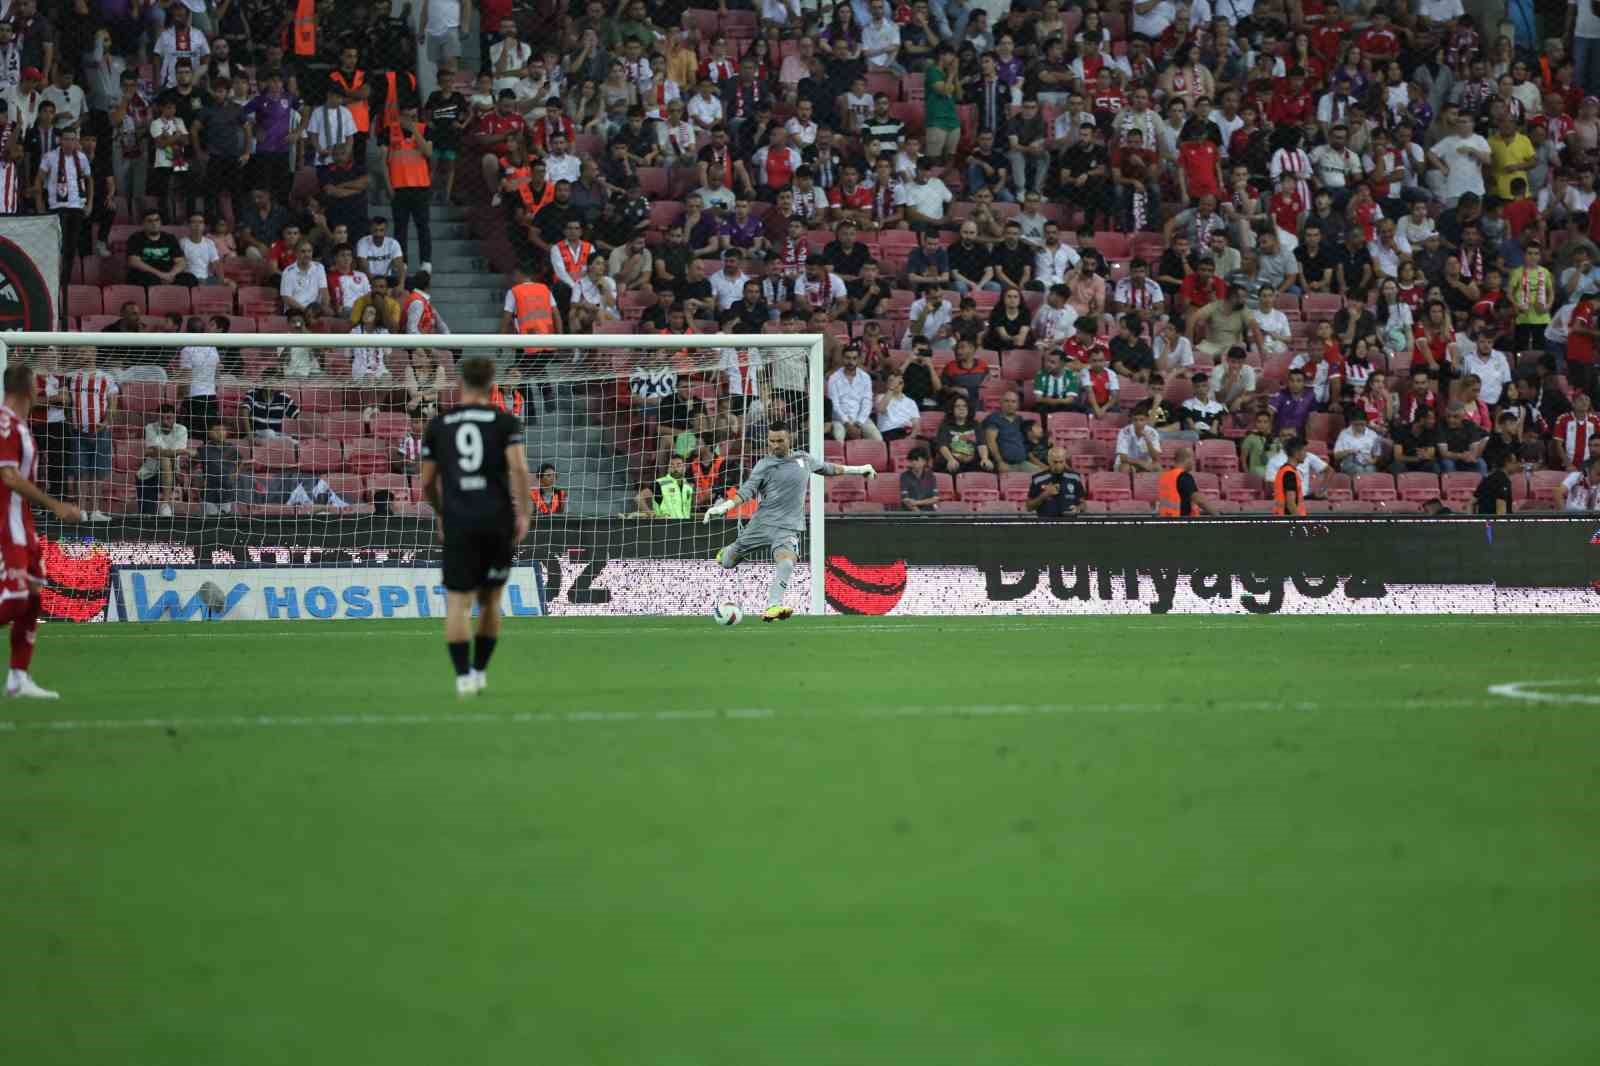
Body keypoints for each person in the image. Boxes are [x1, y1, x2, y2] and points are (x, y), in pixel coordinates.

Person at [418, 356, 531, 698]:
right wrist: (523, 513)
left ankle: (463, 676)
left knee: (458, 602)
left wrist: (441, 513)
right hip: (496, 519)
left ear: (460, 383)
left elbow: (426, 482)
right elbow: (520, 471)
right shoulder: (505, 422)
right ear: (492, 383)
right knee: (491, 601)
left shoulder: (440, 424)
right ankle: (481, 670)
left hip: (459, 522)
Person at [703, 426, 877, 622]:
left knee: (786, 562)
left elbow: (830, 469)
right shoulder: (764, 465)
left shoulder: (803, 459)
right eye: (771, 441)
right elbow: (747, 491)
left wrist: (860, 469)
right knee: (727, 562)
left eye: (780, 441)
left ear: (789, 440)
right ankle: (726, 553)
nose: (775, 445)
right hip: (761, 524)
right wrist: (723, 507)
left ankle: (773, 606)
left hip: (788, 527)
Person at [0, 364, 83, 698]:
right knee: (17, 597)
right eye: (37, 385)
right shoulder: (5, 422)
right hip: (6, 524)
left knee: (33, 597)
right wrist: (56, 505)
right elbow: (8, 477)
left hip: (24, 524)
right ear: (28, 389)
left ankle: (19, 678)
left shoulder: (20, 426)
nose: (40, 391)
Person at [65, 347, 117, 523]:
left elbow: (113, 403)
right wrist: (70, 420)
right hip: (78, 431)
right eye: (80, 351)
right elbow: (67, 403)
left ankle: (95, 511)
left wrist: (106, 422)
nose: (83, 354)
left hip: (101, 431)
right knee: (81, 472)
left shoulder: (106, 377)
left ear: (95, 353)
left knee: (98, 473)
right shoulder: (71, 377)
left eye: (87, 351)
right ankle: (81, 511)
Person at [139, 404, 188, 517]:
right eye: (162, 418)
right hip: (149, 473)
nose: (165, 422)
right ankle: (163, 506)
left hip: (173, 471)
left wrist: (152, 452)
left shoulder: (181, 429)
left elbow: (173, 453)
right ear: (158, 417)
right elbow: (157, 451)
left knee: (165, 459)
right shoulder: (150, 427)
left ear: (175, 417)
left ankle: (165, 504)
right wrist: (153, 452)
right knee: (147, 516)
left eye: (169, 418)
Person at [1155, 447, 1218, 517]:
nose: (1193, 462)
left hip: (1165, 521)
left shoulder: (1165, 476)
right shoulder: (1184, 476)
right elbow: (1199, 500)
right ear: (1188, 459)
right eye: (1193, 459)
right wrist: (1217, 515)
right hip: (1181, 522)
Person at [1026, 446, 1086, 518]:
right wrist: (1044, 495)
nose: (1058, 465)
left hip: (1069, 524)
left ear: (1065, 461)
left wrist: (1078, 508)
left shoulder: (1075, 477)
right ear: (1049, 460)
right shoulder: (1038, 479)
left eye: (1061, 462)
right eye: (1055, 462)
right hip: (1046, 524)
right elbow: (1029, 507)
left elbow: (1083, 503)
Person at [1333, 409, 1386, 475]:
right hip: (1349, 461)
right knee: (1359, 470)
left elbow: (1377, 454)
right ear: (1351, 423)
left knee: (1370, 470)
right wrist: (1349, 451)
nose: (1359, 427)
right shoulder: (1344, 434)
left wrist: (1373, 461)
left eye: (1362, 424)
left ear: (1366, 423)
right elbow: (1336, 455)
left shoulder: (1372, 434)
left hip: (1367, 462)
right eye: (1356, 425)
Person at [1271, 437, 1311, 517]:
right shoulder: (1289, 473)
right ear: (1296, 453)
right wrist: (1300, 522)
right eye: (1304, 450)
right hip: (1288, 523)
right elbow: (1291, 504)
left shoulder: (1285, 470)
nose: (1306, 454)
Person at [1474, 447, 1519, 515]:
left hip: (1484, 522)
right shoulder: (1503, 481)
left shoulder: (1487, 478)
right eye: (1515, 462)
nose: (1516, 465)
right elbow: (1500, 507)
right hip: (1494, 523)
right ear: (1507, 463)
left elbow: (1471, 502)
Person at [898, 447, 939, 513]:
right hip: (910, 511)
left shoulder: (931, 476)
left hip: (928, 510)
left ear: (924, 461)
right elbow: (906, 500)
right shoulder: (904, 476)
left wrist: (917, 502)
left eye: (917, 460)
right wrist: (920, 514)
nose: (914, 462)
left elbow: (935, 499)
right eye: (912, 460)